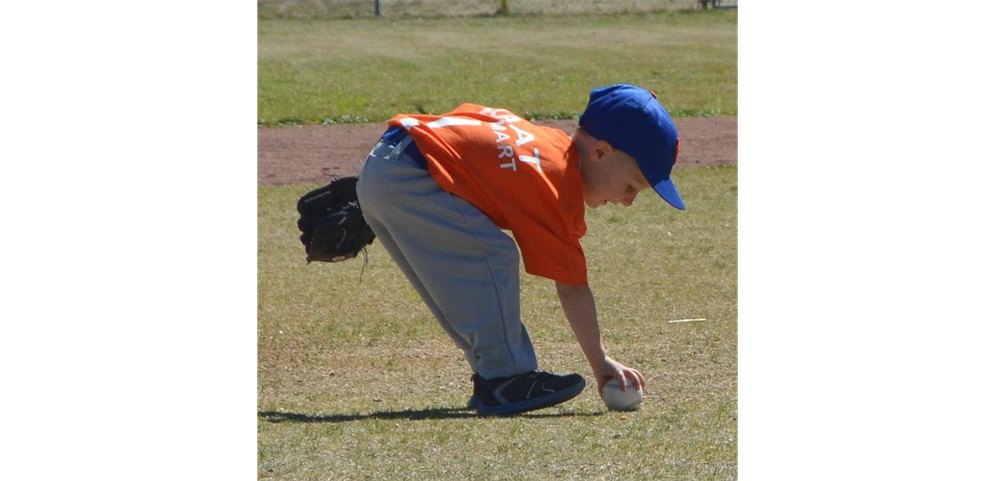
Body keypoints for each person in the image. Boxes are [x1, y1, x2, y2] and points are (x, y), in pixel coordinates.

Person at [355, 84, 683, 415]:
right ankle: (506, 379)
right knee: (494, 256)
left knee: (455, 278)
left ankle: (494, 375)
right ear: (600, 153)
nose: (628, 201)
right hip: (413, 176)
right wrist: (600, 362)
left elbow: (469, 118)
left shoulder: (544, 142)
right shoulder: (556, 184)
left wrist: (373, 186)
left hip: (388, 161)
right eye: (631, 186)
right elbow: (572, 287)